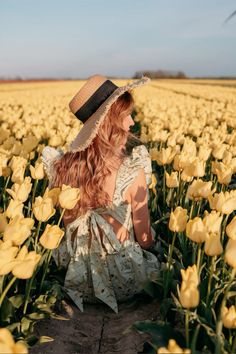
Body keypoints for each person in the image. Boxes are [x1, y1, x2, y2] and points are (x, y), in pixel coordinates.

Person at [42, 74, 160, 314]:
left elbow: (65, 228)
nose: (131, 123)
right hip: (127, 282)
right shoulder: (131, 171)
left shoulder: (61, 167)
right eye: (126, 115)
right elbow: (145, 240)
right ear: (111, 122)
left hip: (73, 279)